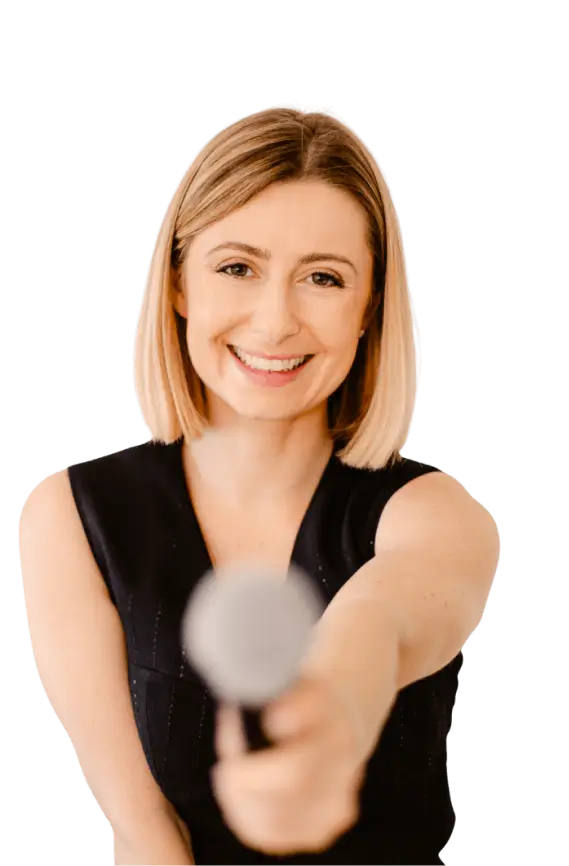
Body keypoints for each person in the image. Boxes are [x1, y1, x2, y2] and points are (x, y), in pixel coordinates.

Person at [18, 104, 499, 864]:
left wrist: (332, 712)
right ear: (179, 283)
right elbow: (143, 834)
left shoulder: (435, 513)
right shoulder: (72, 515)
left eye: (323, 278)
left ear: (369, 308)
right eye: (237, 268)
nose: (275, 323)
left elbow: (381, 621)